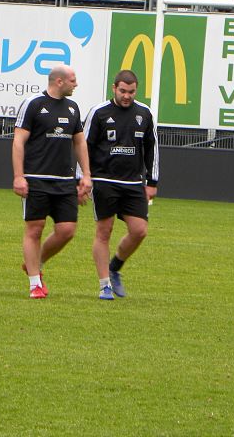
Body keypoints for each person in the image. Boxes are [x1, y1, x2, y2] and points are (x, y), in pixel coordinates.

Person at [12, 64, 92, 299]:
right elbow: (18, 142)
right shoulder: (34, 104)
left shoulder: (73, 107)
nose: (76, 84)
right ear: (59, 81)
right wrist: (19, 176)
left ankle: (35, 263)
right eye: (73, 80)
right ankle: (35, 284)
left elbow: (79, 143)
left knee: (67, 230)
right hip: (36, 179)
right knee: (34, 229)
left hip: (65, 181)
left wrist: (85, 175)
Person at [83, 70, 158, 300]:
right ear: (114, 88)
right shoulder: (99, 112)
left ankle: (115, 267)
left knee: (139, 230)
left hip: (133, 182)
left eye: (131, 92)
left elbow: (152, 149)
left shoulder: (144, 114)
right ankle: (104, 284)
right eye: (123, 91)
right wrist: (83, 177)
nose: (127, 96)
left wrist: (152, 181)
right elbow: (83, 146)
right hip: (104, 180)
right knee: (104, 232)